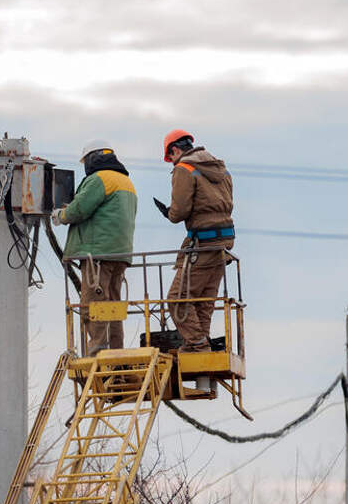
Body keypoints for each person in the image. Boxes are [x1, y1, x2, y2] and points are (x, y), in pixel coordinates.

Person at [52, 140, 137, 354]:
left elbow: (79, 209)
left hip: (97, 254)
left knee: (94, 304)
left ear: (92, 159)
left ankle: (99, 352)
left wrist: (61, 215)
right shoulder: (125, 181)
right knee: (113, 305)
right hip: (120, 254)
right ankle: (116, 352)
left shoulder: (99, 179)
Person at [153, 129, 234, 353]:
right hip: (224, 242)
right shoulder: (220, 168)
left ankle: (197, 345)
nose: (172, 162)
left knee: (177, 299)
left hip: (203, 243)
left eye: (171, 157)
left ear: (175, 150)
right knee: (203, 300)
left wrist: (169, 213)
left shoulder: (184, 168)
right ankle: (202, 342)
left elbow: (180, 211)